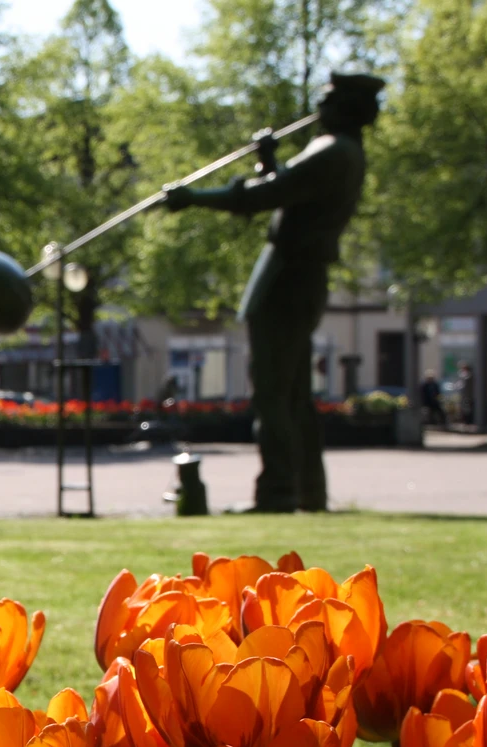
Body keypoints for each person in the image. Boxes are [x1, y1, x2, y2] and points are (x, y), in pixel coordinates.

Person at [164, 72, 385, 513]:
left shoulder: (331, 152)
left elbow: (265, 196)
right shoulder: (343, 153)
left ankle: (278, 492)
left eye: (327, 101)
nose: (318, 108)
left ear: (344, 109)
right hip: (295, 277)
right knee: (293, 394)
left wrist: (194, 198)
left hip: (289, 278)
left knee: (272, 393)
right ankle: (306, 491)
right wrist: (269, 161)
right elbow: (287, 191)